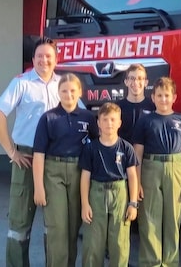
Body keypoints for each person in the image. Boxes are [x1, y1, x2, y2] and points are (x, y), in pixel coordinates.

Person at [0, 37, 60, 267]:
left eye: (48, 56)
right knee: (19, 224)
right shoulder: (21, 83)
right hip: (26, 158)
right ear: (33, 59)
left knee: (56, 224)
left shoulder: (64, 85)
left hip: (55, 160)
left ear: (56, 59)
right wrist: (11, 152)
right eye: (40, 56)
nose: (44, 60)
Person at [32, 73, 99, 267]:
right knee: (57, 228)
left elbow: (97, 145)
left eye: (72, 90)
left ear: (79, 92)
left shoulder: (87, 117)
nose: (68, 95)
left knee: (72, 228)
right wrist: (39, 187)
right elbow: (39, 154)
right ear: (58, 92)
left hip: (80, 172)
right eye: (64, 91)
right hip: (54, 174)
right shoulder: (49, 118)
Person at [131, 77, 181, 266]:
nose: (163, 99)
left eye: (167, 95)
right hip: (151, 167)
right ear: (153, 97)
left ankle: (170, 261)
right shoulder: (145, 121)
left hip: (176, 168)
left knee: (172, 218)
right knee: (149, 218)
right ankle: (151, 261)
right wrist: (138, 182)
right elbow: (137, 153)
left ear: (174, 97)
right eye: (159, 95)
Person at [79, 102, 139, 267]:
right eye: (105, 120)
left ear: (120, 122)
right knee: (93, 242)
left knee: (119, 242)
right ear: (98, 122)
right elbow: (85, 176)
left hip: (119, 193)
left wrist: (133, 203)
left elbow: (132, 175)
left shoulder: (126, 148)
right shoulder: (91, 148)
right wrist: (85, 204)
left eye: (113, 120)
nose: (109, 124)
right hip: (96, 193)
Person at [117, 63, 155, 144]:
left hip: (147, 154)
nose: (136, 82)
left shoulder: (153, 107)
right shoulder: (117, 108)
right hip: (124, 153)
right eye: (132, 78)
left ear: (146, 82)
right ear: (126, 82)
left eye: (140, 78)